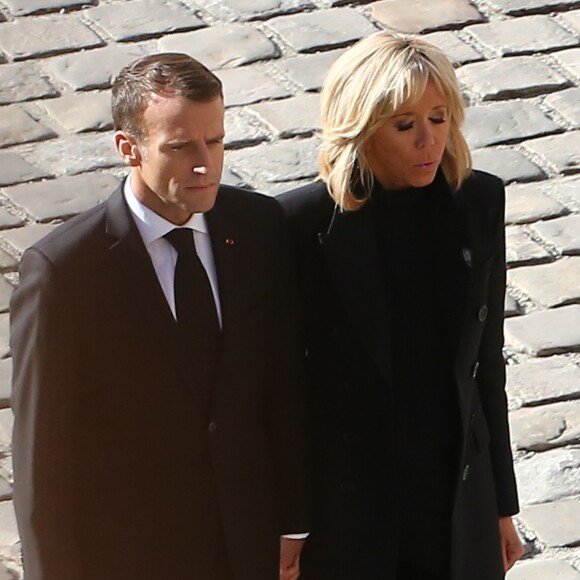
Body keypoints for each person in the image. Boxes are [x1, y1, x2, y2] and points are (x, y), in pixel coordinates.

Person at [10, 53, 310, 580]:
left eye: (215, 142)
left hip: (248, 546)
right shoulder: (64, 272)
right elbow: (43, 459)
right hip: (129, 556)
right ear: (129, 148)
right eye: (180, 147)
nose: (205, 164)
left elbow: (282, 384)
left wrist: (294, 522)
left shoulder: (260, 227)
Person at [279, 32, 525, 580]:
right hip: (352, 510)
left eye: (439, 118)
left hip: (456, 493)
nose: (428, 141)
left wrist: (501, 504)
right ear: (362, 130)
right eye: (405, 125)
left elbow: (487, 364)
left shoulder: (478, 201)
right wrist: (290, 524)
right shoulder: (301, 225)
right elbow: (282, 389)